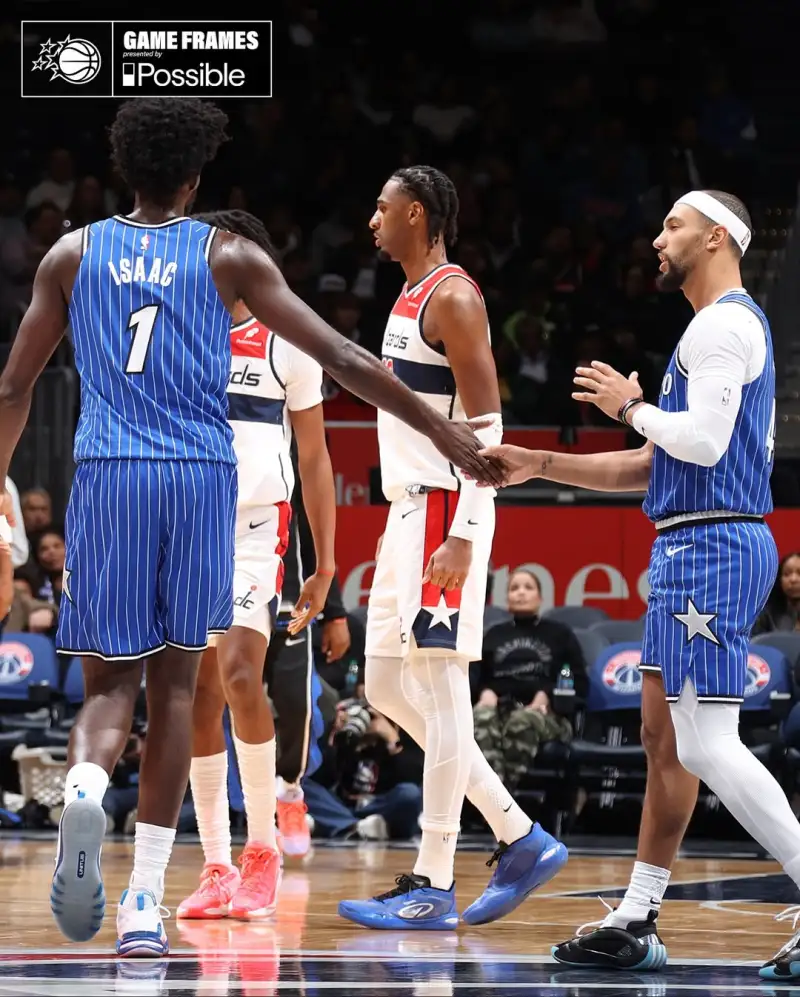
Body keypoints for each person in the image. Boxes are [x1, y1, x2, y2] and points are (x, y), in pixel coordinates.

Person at [0, 99, 502, 959]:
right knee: (175, 695)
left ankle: (83, 784)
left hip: (108, 477)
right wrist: (444, 427)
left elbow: (14, 387)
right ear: (195, 178)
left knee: (109, 692)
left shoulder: (70, 254)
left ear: (123, 169)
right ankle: (143, 903)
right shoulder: (225, 254)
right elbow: (342, 356)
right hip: (201, 483)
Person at [482, 189, 800, 981]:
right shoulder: (710, 329)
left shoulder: (724, 323)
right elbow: (656, 462)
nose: (657, 238)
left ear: (718, 236)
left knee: (706, 741)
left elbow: (701, 440)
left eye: (672, 224)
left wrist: (631, 405)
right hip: (693, 540)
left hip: (714, 544)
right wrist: (539, 463)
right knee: (666, 738)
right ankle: (635, 916)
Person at [338, 166, 567, 931]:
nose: (372, 219)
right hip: (407, 508)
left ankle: (434, 879)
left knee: (440, 695)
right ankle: (519, 833)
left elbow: (489, 428)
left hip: (444, 508)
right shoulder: (408, 294)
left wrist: (465, 532)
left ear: (416, 212)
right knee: (384, 684)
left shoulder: (455, 296)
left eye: (381, 206)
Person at [178, 209, 336, 920]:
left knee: (242, 673)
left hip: (253, 528)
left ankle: (261, 850)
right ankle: (215, 864)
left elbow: (315, 457)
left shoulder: (287, 340)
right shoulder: (179, 331)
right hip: (186, 526)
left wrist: (325, 562)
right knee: (197, 693)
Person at [474, 568, 586, 792]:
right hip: (499, 710)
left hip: (547, 715)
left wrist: (549, 695)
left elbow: (580, 681)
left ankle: (503, 795)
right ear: (507, 598)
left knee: (522, 721)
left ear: (540, 598)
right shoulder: (494, 635)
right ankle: (494, 794)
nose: (521, 592)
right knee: (480, 717)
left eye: (528, 587)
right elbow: (475, 678)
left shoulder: (559, 634)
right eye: (514, 588)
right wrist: (484, 692)